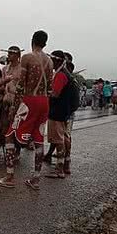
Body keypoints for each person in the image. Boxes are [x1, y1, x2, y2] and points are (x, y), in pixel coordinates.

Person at [0, 30, 52, 190]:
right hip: (44, 101)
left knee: (10, 136)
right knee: (38, 139)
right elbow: (50, 87)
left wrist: (14, 107)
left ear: (32, 41)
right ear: (45, 43)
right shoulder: (50, 61)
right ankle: (36, 179)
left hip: (29, 101)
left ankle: (9, 177)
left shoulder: (27, 57)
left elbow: (21, 86)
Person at [45, 51, 73, 179]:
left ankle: (59, 169)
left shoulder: (61, 75)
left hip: (57, 112)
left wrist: (45, 93)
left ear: (56, 61)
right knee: (63, 137)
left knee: (58, 139)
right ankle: (65, 164)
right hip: (64, 111)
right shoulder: (65, 73)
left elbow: (55, 94)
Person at [0, 46, 22, 147]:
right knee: (4, 124)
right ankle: (8, 147)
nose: (9, 55)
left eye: (11, 53)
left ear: (17, 55)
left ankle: (17, 149)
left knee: (17, 125)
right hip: (6, 99)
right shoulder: (5, 69)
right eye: (8, 53)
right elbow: (2, 84)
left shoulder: (22, 69)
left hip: (18, 100)